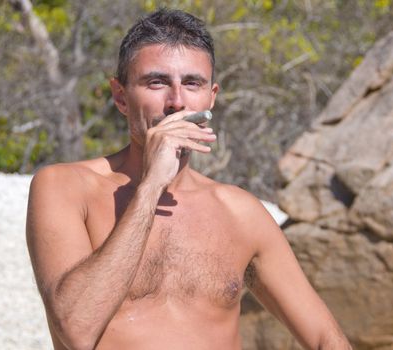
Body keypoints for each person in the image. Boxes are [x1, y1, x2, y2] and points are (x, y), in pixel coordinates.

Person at [26, 8, 352, 350]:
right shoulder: (65, 187)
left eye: (192, 83)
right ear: (121, 97)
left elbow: (325, 339)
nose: (177, 102)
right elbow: (75, 329)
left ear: (211, 97)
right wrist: (151, 186)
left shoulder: (240, 213)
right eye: (157, 82)